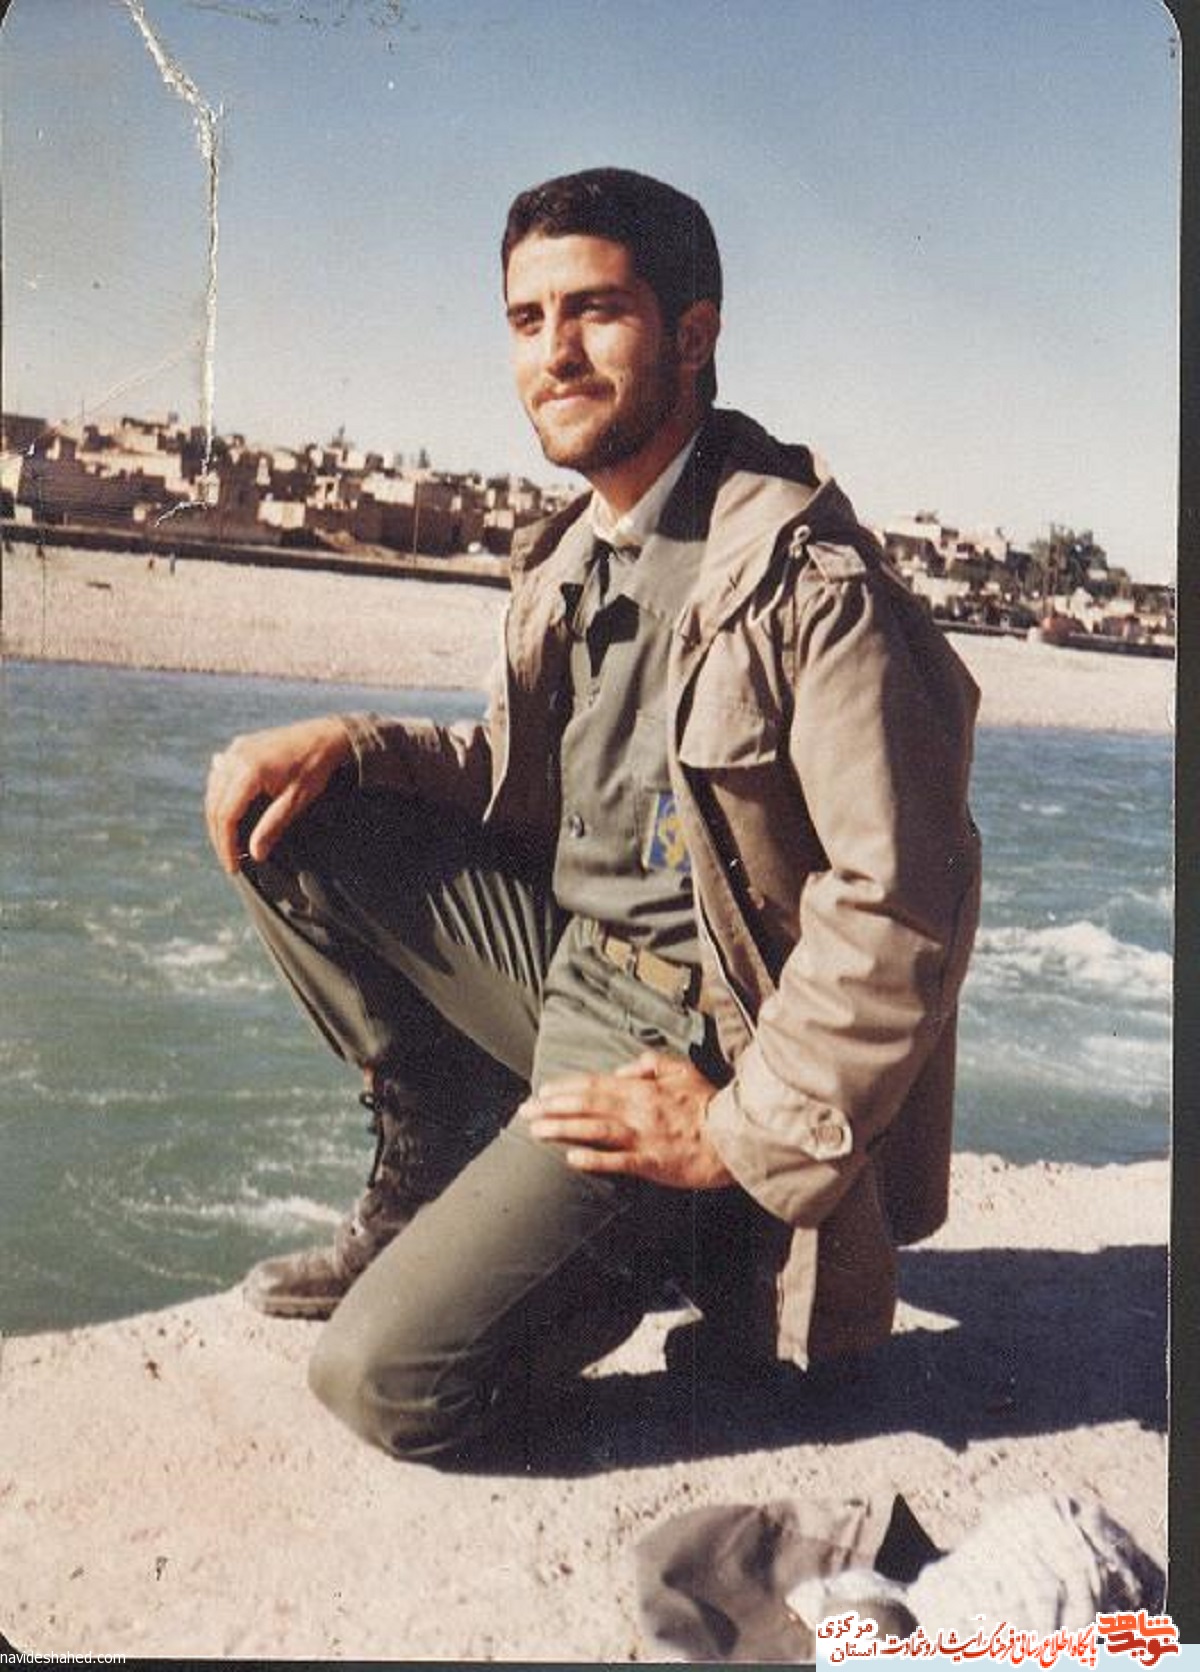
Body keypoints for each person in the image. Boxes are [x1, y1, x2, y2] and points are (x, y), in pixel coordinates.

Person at [204, 167, 981, 1464]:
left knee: (384, 1382)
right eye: (528, 319)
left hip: (692, 1047)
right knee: (291, 820)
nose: (554, 353)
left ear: (693, 333)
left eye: (596, 311)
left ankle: (693, 1231)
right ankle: (437, 1163)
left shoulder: (807, 585)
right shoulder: (575, 555)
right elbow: (526, 780)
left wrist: (731, 1132)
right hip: (566, 972)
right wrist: (352, 745)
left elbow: (903, 902)